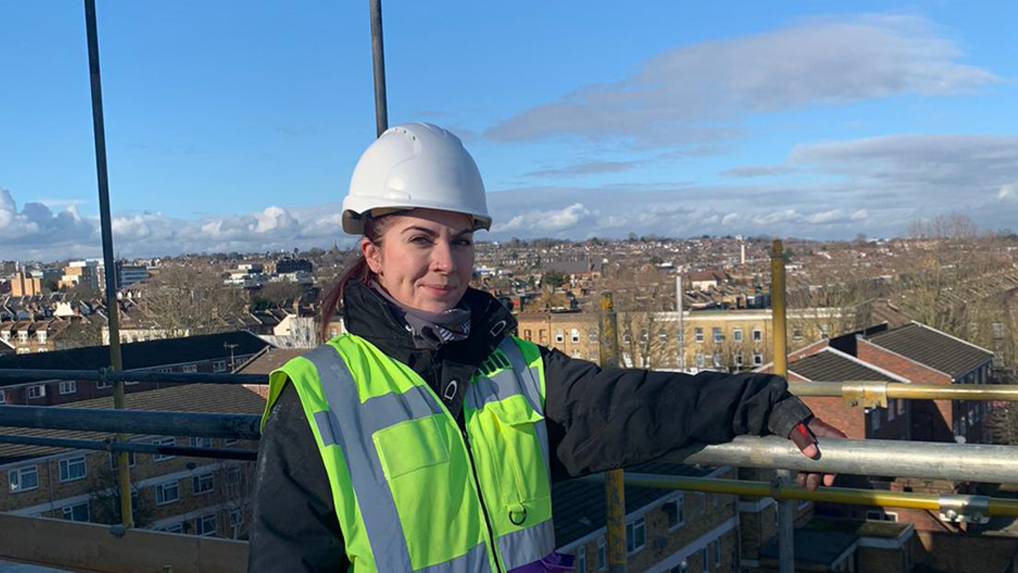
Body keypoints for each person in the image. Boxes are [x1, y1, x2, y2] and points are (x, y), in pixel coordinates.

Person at [247, 123, 845, 573]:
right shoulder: (320, 399)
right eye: (420, 239)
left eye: (461, 241)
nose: (445, 263)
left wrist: (762, 402)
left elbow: (636, 404)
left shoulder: (515, 367)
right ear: (373, 254)